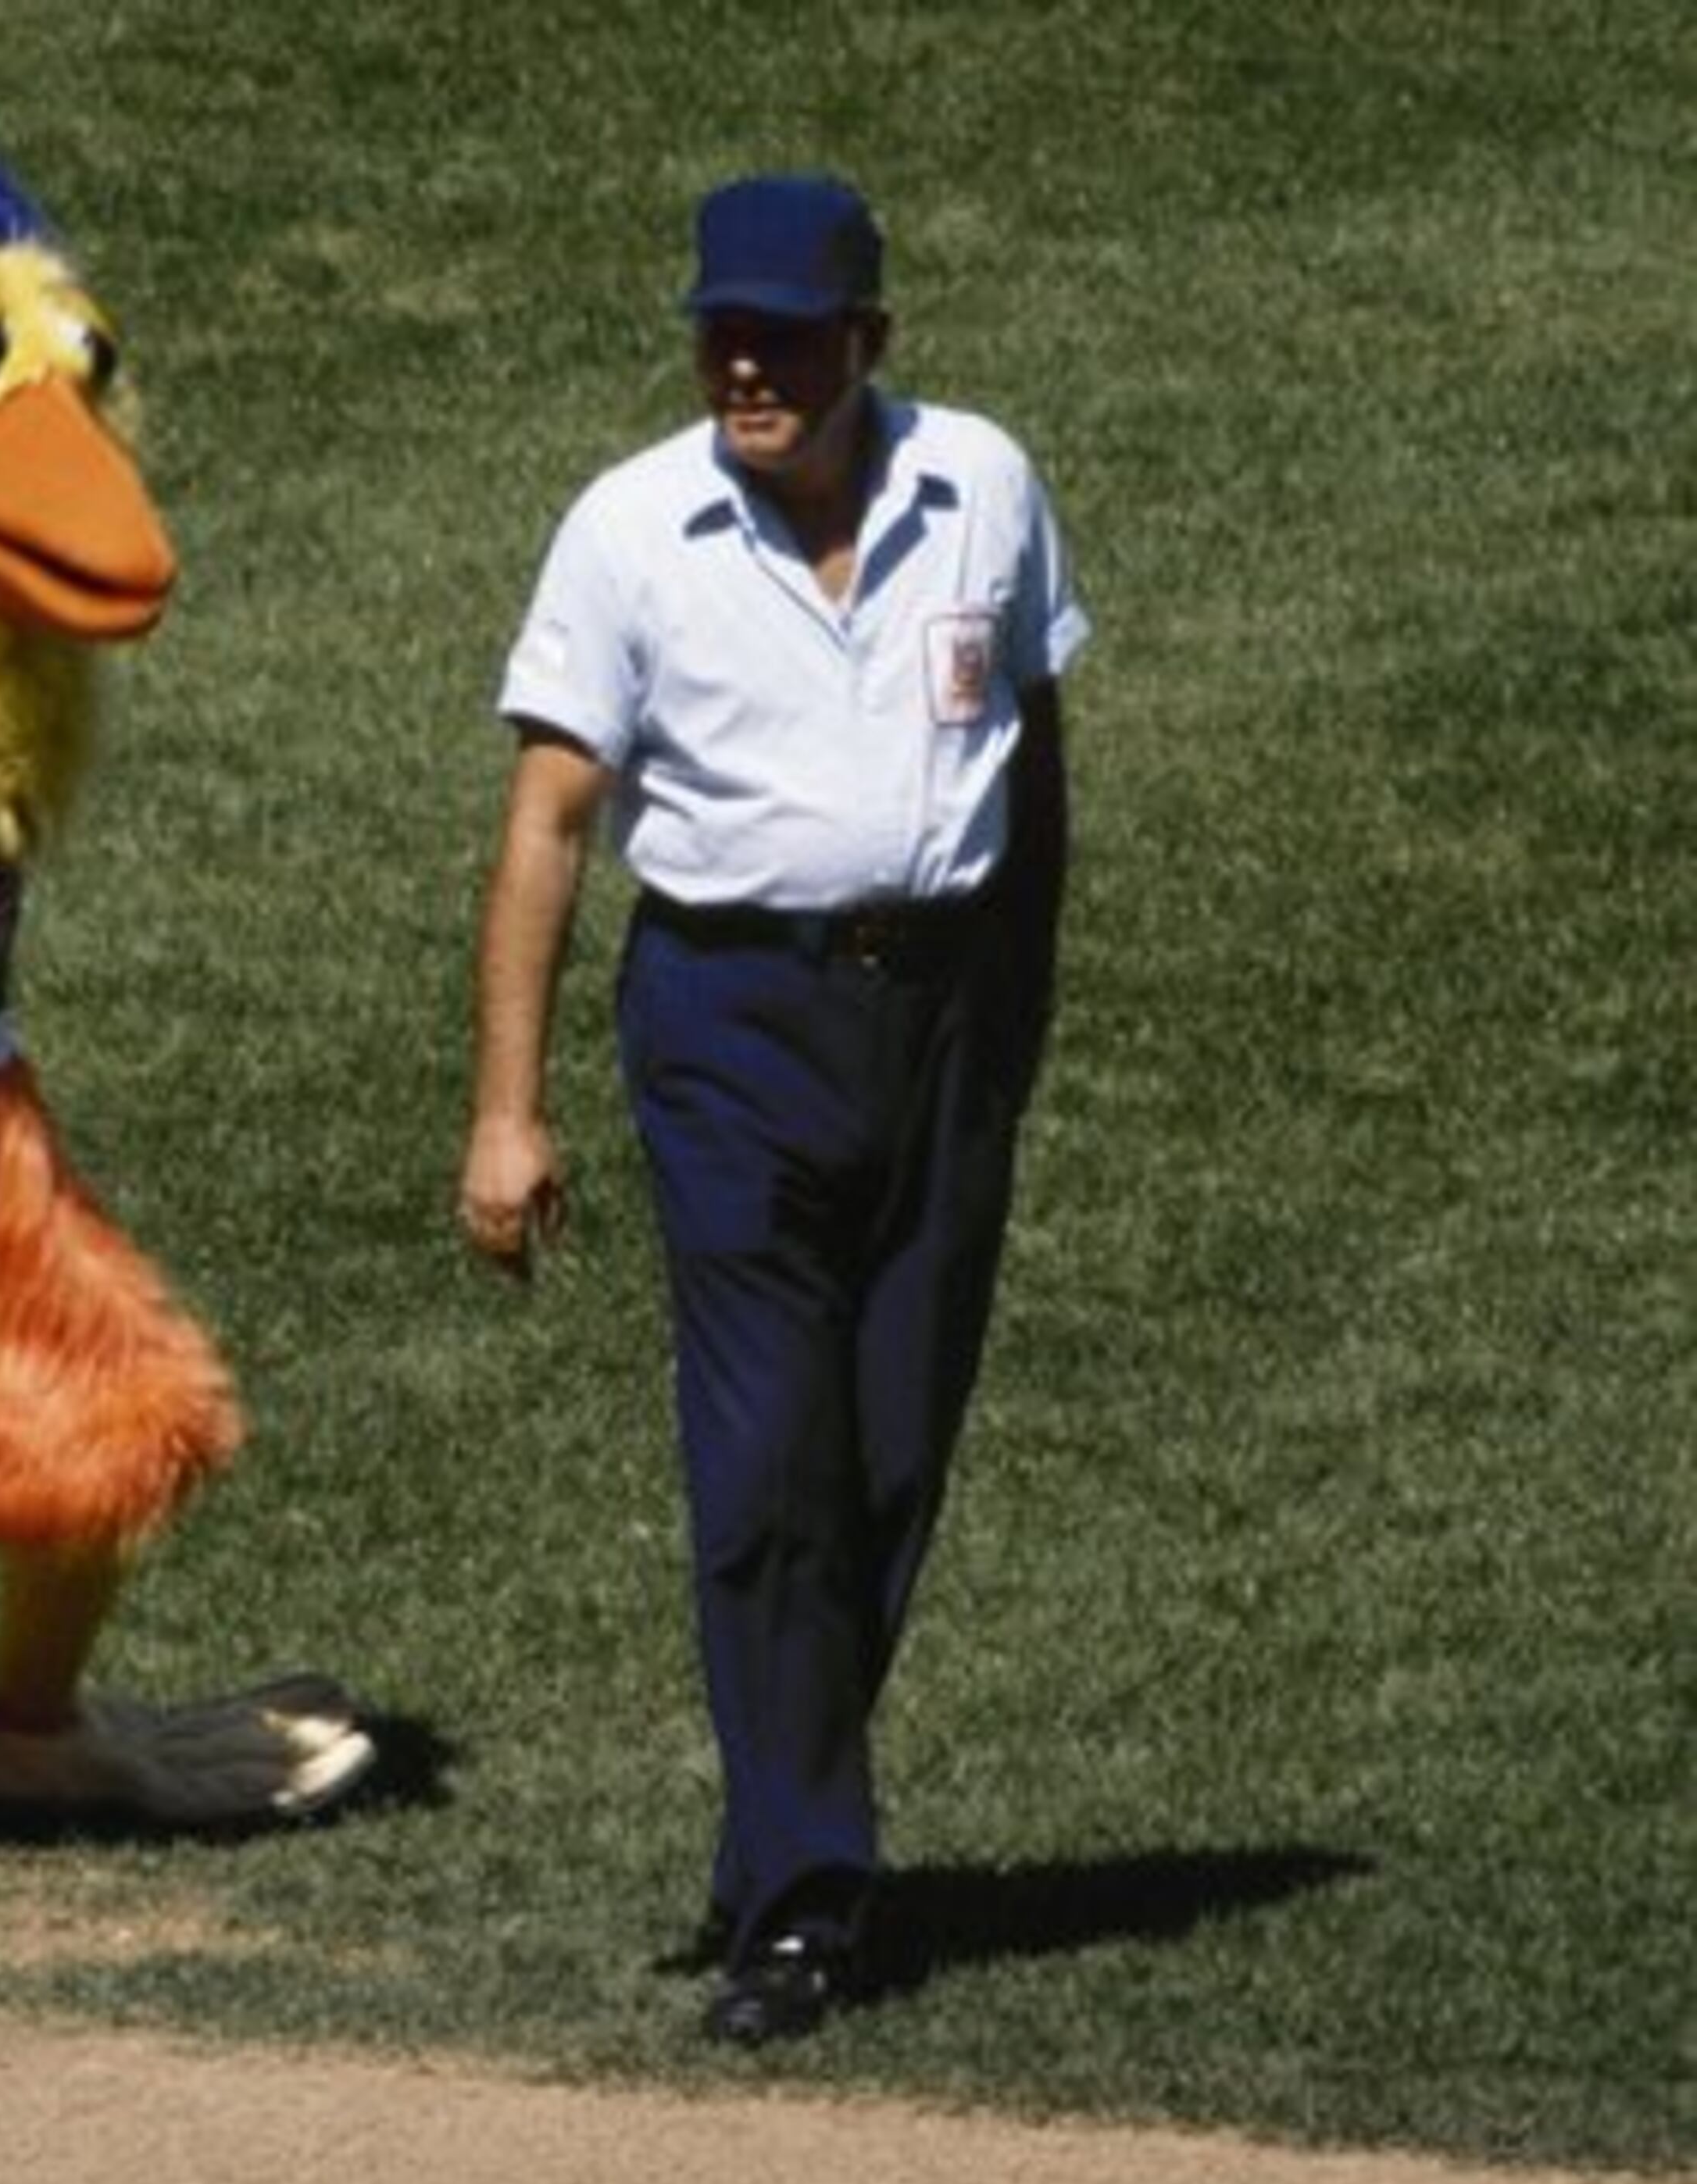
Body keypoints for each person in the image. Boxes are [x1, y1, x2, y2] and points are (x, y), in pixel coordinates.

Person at [459, 173, 1089, 2043]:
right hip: (730, 1023)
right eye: (722, 331)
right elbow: (551, 822)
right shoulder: (631, 530)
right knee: (762, 1468)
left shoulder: (986, 484)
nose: (747, 363)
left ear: (868, 344)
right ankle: (807, 1903)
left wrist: (1021, 1013)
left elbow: (1035, 756)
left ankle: (779, 1824)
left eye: (788, 336)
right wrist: (509, 1109)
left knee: (887, 1457)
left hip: (949, 1016)